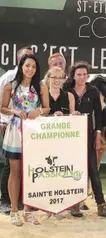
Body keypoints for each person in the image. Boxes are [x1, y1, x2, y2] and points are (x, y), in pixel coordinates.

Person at [1, 54, 50, 226]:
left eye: (34, 67)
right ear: (21, 66)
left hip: (34, 132)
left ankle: (29, 211)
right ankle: (14, 210)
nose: (30, 69)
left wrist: (40, 112)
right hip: (15, 131)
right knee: (15, 171)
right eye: (27, 65)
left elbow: (47, 107)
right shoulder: (10, 86)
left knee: (31, 172)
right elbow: (2, 107)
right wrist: (14, 111)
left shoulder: (41, 86)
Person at [64, 61, 106, 218]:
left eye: (85, 75)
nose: (82, 77)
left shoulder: (93, 91)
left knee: (93, 170)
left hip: (88, 134)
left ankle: (101, 206)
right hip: (69, 136)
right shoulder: (66, 89)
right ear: (73, 75)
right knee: (72, 169)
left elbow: (98, 114)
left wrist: (98, 133)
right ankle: (74, 204)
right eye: (79, 74)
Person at [0, 46, 33, 214]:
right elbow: (2, 105)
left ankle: (20, 201)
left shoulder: (35, 82)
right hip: (10, 126)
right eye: (25, 58)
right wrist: (2, 122)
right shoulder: (8, 78)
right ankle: (5, 200)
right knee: (10, 166)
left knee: (26, 165)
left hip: (29, 130)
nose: (28, 64)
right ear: (18, 60)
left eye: (31, 59)